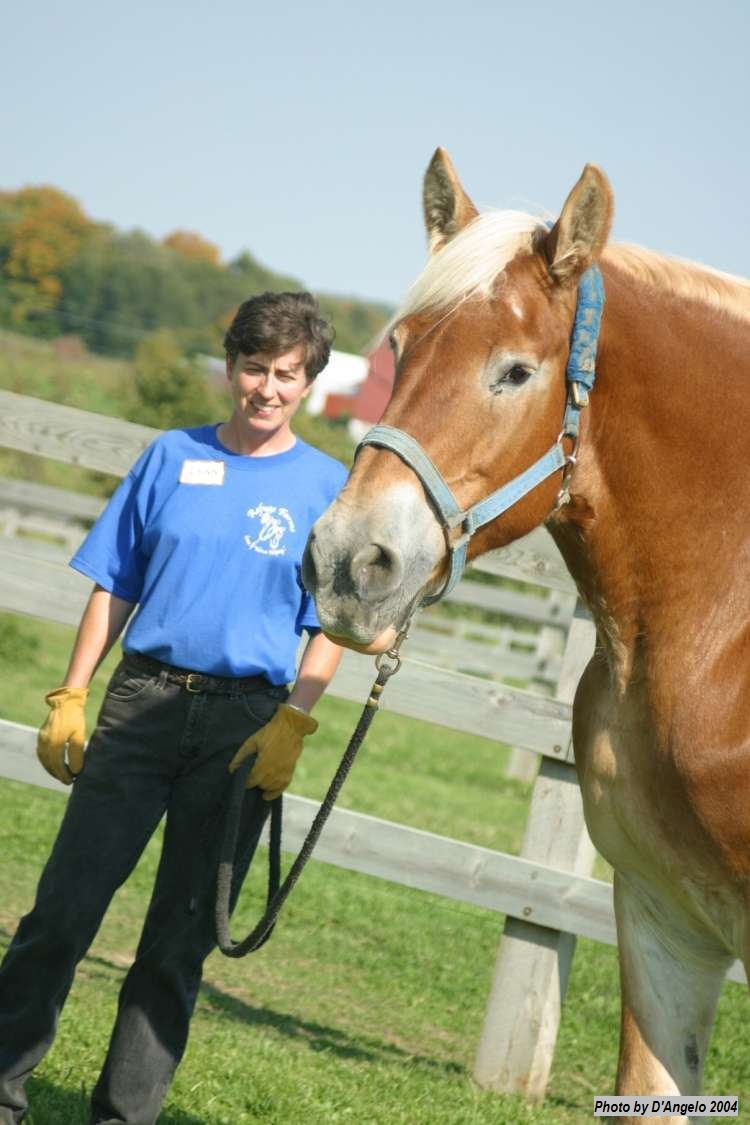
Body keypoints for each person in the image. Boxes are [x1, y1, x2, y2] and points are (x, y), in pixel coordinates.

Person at [0, 291, 347, 1125]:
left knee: (178, 941)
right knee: (63, 911)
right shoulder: (169, 456)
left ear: (310, 383)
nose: (267, 388)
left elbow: (330, 626)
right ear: (230, 367)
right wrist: (73, 691)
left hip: (245, 727)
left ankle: (124, 1115)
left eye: (287, 374)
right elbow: (113, 581)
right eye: (254, 367)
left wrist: (294, 721)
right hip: (142, 703)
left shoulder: (329, 487)